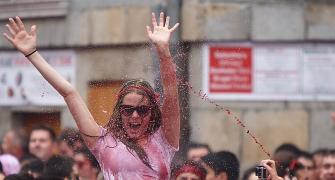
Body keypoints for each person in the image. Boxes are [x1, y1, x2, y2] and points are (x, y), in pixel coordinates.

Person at [3, 12, 180, 179]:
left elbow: (171, 91)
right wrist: (32, 54)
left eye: (142, 110)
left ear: (152, 112)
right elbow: (69, 92)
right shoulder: (103, 141)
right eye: (128, 109)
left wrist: (163, 52)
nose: (135, 115)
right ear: (119, 111)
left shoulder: (164, 139)